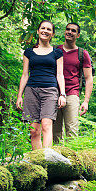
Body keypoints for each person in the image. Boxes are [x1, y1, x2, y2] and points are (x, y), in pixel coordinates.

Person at [16, 20, 66, 149]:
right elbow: (25, 74)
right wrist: (19, 96)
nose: (45, 31)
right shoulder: (29, 52)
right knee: (33, 130)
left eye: (49, 29)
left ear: (52, 34)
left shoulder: (57, 53)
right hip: (31, 91)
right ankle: (37, 160)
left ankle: (47, 158)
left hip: (50, 90)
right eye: (42, 28)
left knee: (46, 125)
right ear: (38, 31)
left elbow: (60, 75)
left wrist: (62, 94)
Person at [53, 22, 93, 142]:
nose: (69, 32)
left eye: (73, 30)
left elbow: (89, 78)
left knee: (72, 130)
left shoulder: (82, 54)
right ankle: (55, 159)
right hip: (53, 92)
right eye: (68, 29)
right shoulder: (55, 50)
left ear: (78, 35)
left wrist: (86, 101)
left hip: (72, 94)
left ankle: (72, 159)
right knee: (55, 131)